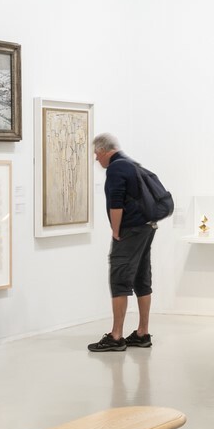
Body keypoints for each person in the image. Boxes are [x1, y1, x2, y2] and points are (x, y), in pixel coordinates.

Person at [89, 133, 159, 352]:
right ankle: (142, 333)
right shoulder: (131, 164)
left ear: (104, 151)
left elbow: (116, 203)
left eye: (96, 154)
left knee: (119, 277)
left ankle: (116, 336)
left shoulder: (116, 168)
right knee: (141, 277)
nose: (96, 159)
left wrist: (115, 231)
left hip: (129, 230)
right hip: (147, 226)